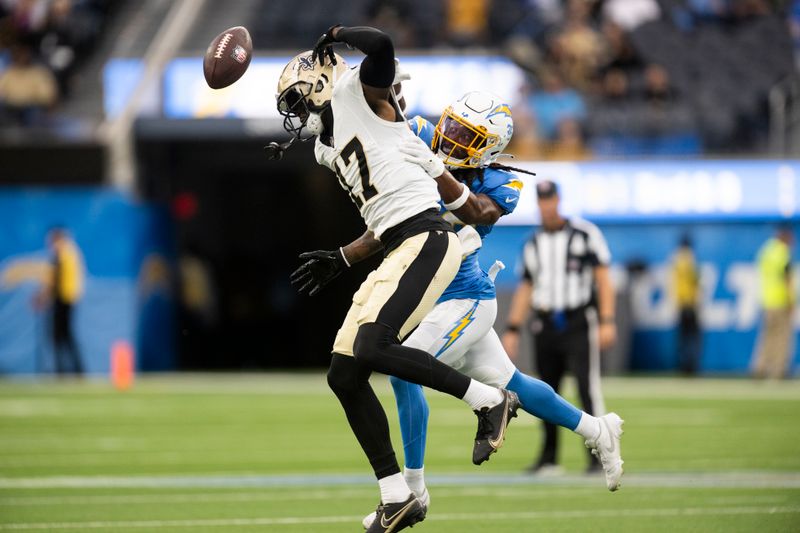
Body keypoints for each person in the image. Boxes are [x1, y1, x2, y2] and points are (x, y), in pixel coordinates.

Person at [279, 25, 519, 533]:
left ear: (323, 81)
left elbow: (382, 46)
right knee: (343, 374)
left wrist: (340, 33)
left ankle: (489, 399)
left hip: (426, 240)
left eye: (299, 97)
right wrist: (343, 258)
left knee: (373, 346)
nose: (296, 111)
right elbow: (381, 214)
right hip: (395, 246)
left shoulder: (355, 95)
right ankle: (397, 497)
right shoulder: (327, 143)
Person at [357, 92, 624, 528]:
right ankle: (598, 430)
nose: (451, 136)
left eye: (466, 135)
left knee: (403, 370)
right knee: (513, 380)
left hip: (463, 300)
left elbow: (476, 208)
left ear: (488, 147)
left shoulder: (499, 183)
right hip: (432, 303)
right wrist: (383, 90)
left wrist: (436, 169)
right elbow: (389, 117)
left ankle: (413, 491)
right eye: (453, 124)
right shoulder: (426, 135)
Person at [502, 180, 617, 475]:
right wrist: (513, 327)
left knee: (586, 387)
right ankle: (549, 457)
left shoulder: (585, 234)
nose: (546, 206)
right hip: (544, 323)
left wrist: (607, 319)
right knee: (545, 392)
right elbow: (526, 287)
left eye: (550, 199)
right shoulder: (533, 243)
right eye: (542, 200)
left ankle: (597, 456)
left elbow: (604, 278)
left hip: (578, 320)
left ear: (559, 200)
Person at [33, 226, 84, 375]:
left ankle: (62, 370)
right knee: (66, 336)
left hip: (62, 299)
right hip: (70, 298)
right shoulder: (72, 251)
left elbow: (54, 278)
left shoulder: (62, 252)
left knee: (58, 336)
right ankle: (75, 370)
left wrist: (42, 296)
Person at [751, 225, 795, 379]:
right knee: (782, 338)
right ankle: (779, 371)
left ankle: (759, 368)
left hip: (767, 301)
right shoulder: (782, 252)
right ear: (784, 236)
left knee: (766, 337)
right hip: (781, 300)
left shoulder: (766, 251)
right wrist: (791, 300)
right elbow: (787, 278)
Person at [670, 234, 702, 375]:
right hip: (689, 303)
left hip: (679, 304)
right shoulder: (688, 260)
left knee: (682, 338)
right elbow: (695, 282)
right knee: (692, 338)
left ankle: (683, 366)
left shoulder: (674, 260)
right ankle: (690, 367)